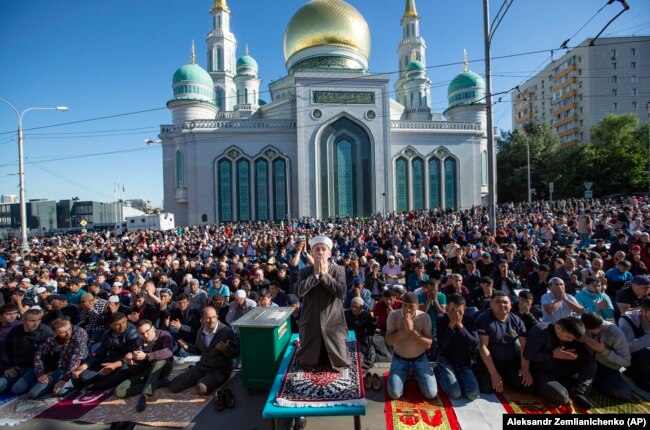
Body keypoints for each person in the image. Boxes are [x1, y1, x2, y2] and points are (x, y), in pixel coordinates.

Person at [296, 235, 350, 371]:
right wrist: (315, 275)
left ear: (329, 253)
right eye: (317, 249)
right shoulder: (304, 271)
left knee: (339, 359)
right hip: (311, 320)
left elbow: (341, 292)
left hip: (333, 320)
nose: (320, 252)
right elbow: (299, 292)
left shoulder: (338, 270)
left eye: (323, 249)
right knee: (308, 359)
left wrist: (325, 277)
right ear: (312, 253)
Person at [523, 316, 596, 410]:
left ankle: (581, 393)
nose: (570, 340)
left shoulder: (566, 335)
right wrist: (552, 354)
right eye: (569, 337)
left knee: (588, 360)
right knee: (562, 398)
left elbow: (562, 350)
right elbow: (529, 354)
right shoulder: (541, 331)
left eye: (572, 338)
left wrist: (567, 354)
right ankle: (564, 385)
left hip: (557, 365)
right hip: (541, 371)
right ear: (558, 327)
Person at [474, 291, 533, 394]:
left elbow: (524, 346)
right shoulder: (484, 319)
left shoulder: (517, 320)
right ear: (491, 304)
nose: (502, 305)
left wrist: (525, 369)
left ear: (510, 305)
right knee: (487, 388)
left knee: (527, 385)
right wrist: (494, 374)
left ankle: (507, 378)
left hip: (511, 361)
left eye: (505, 302)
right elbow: (482, 346)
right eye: (498, 302)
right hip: (491, 361)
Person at [169, 306, 239, 394]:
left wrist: (226, 349)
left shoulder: (226, 331)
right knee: (174, 386)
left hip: (220, 370)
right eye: (208, 318)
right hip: (203, 367)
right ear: (201, 320)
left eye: (214, 317)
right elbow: (199, 350)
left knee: (202, 388)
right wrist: (187, 347)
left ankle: (203, 380)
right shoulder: (201, 331)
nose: (212, 320)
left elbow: (235, 353)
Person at [386, 291, 437, 400]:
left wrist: (412, 330)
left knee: (431, 394)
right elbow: (389, 341)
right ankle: (409, 374)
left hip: (420, 358)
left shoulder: (424, 317)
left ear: (417, 306)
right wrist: (405, 331)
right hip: (400, 358)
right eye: (405, 306)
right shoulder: (393, 315)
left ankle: (419, 373)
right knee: (394, 394)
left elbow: (428, 344)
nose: (407, 309)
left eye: (411, 307)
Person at [116, 319, 175, 412]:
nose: (145, 335)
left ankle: (145, 395)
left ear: (153, 328)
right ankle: (159, 383)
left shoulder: (164, 335)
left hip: (164, 367)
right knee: (119, 391)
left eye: (147, 331)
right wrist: (130, 362)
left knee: (159, 360)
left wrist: (147, 356)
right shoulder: (138, 343)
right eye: (142, 333)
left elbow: (168, 352)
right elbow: (138, 370)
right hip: (148, 371)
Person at [72, 312, 139, 391]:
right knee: (84, 375)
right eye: (118, 324)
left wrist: (115, 365)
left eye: (124, 322)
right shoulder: (107, 334)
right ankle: (96, 382)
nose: (122, 326)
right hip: (110, 361)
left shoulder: (132, 332)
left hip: (125, 363)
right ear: (111, 326)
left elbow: (133, 354)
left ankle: (96, 385)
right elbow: (99, 355)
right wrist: (85, 365)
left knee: (123, 373)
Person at [30, 318, 88, 399]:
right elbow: (39, 353)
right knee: (33, 393)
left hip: (77, 369)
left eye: (69, 329)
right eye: (62, 332)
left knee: (60, 391)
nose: (68, 333)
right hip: (62, 367)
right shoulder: (51, 337)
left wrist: (64, 379)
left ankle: (76, 382)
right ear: (55, 332)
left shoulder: (80, 332)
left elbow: (76, 358)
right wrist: (40, 373)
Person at [435, 294, 480, 400]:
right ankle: (438, 372)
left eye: (460, 311)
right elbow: (441, 344)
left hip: (463, 363)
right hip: (446, 360)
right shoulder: (441, 319)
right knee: (455, 393)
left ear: (465, 309)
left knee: (472, 394)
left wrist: (460, 325)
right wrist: (451, 325)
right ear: (447, 309)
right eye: (452, 310)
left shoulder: (469, 320)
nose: (456, 314)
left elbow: (475, 343)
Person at [0, 308, 53, 395]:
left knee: (17, 389)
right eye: (32, 320)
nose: (36, 323)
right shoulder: (15, 331)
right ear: (23, 320)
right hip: (18, 366)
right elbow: (5, 349)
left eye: (38, 320)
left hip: (36, 367)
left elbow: (52, 354)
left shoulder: (46, 332)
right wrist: (7, 367)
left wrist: (45, 371)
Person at [580, 312, 632, 400]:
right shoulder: (580, 326)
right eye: (588, 331)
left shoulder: (615, 333)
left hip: (606, 367)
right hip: (585, 363)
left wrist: (603, 351)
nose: (588, 333)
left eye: (592, 331)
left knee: (623, 393)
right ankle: (585, 381)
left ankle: (589, 382)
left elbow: (626, 362)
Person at [618, 297, 650, 391]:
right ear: (643, 311)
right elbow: (628, 347)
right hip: (632, 358)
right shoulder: (627, 320)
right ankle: (640, 380)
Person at [344, 297, 376, 370]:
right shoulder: (346, 314)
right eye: (352, 306)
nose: (353, 309)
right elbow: (342, 328)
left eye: (356, 307)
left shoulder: (367, 315)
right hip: (349, 337)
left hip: (362, 338)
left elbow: (370, 330)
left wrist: (366, 339)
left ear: (361, 307)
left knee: (365, 355)